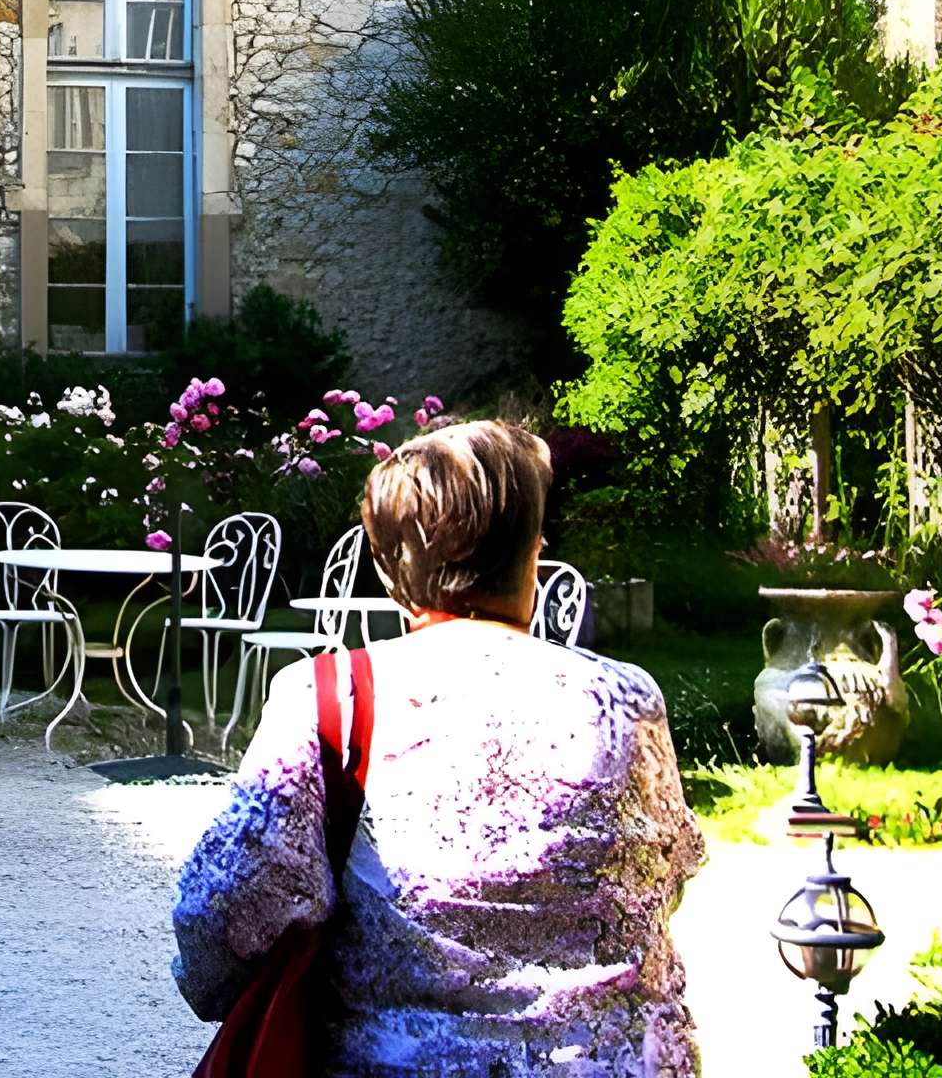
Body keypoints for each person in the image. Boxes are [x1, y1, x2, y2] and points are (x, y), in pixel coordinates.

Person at [169, 419, 703, 1073]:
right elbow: (661, 877)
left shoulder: (332, 698)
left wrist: (223, 990)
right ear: (532, 552)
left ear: (391, 569)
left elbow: (223, 907)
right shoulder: (625, 699)